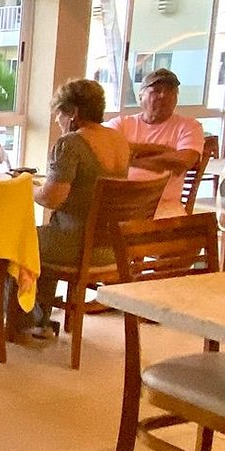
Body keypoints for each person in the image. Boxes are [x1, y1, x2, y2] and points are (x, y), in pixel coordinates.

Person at [26, 78, 133, 338]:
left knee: (19, 241)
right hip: (113, 248)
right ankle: (40, 319)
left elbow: (52, 199)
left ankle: (22, 321)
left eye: (60, 114)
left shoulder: (71, 144)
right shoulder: (119, 141)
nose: (57, 120)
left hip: (77, 246)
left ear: (73, 112)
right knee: (46, 235)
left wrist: (26, 186)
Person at [110, 67, 204, 216]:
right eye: (156, 90)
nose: (163, 96)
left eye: (170, 91)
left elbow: (184, 161)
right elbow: (107, 151)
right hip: (120, 202)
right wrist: (164, 151)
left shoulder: (190, 126)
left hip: (164, 205)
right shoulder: (120, 124)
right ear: (140, 96)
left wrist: (130, 160)